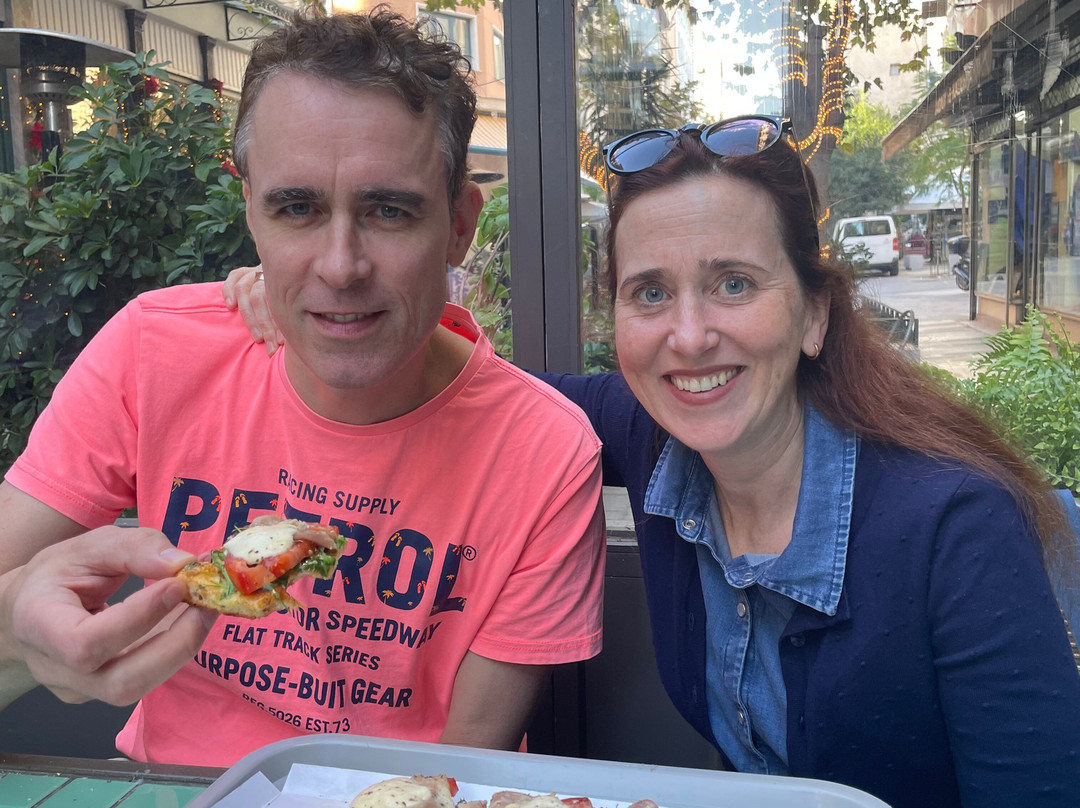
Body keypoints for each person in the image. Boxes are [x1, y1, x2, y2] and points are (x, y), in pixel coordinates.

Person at [228, 114, 1080, 807]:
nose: (689, 335)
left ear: (816, 313)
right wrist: (327, 306)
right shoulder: (648, 428)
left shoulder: (956, 526)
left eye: (734, 283)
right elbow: (478, 391)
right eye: (650, 293)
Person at [0, 7, 605, 768]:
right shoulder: (152, 353)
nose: (340, 266)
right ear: (251, 213)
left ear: (459, 226)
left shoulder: (544, 453)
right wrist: (20, 639)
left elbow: (456, 773)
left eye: (389, 211)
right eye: (297, 209)